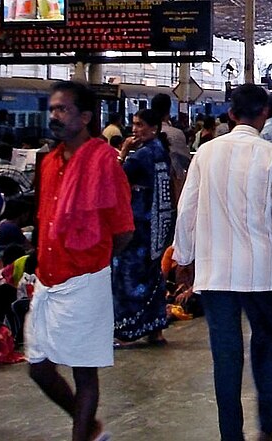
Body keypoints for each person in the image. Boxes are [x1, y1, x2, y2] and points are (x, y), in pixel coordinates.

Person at [173, 83, 272, 441]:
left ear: (231, 114)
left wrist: (183, 257)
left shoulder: (206, 153)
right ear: (265, 114)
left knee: (226, 355)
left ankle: (231, 435)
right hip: (260, 274)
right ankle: (267, 427)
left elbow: (187, 209)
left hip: (214, 275)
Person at [26, 81, 134, 441]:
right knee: (38, 367)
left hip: (85, 279)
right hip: (48, 277)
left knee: (84, 372)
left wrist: (94, 261)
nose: (54, 116)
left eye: (63, 110)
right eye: (52, 108)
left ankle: (81, 435)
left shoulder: (104, 162)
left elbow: (123, 230)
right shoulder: (50, 161)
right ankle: (88, 426)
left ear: (85, 117)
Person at [111, 108, 174, 346]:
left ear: (154, 128)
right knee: (153, 274)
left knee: (128, 274)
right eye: (134, 124)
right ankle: (155, 328)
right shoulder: (160, 151)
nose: (135, 129)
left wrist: (123, 152)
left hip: (137, 223)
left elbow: (116, 179)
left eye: (139, 125)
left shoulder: (141, 155)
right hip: (157, 222)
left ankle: (127, 330)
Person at [152, 93, 190, 181]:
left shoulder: (146, 133)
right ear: (168, 111)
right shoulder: (176, 133)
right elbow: (185, 162)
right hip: (172, 180)